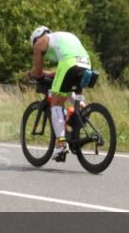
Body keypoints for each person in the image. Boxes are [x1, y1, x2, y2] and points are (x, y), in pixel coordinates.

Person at [25, 26, 93, 161]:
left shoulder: (40, 42)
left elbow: (37, 73)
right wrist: (47, 73)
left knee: (56, 103)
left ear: (36, 39)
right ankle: (81, 110)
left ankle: (61, 145)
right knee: (70, 89)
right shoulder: (59, 38)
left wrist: (30, 74)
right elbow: (62, 70)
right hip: (86, 63)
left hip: (69, 64)